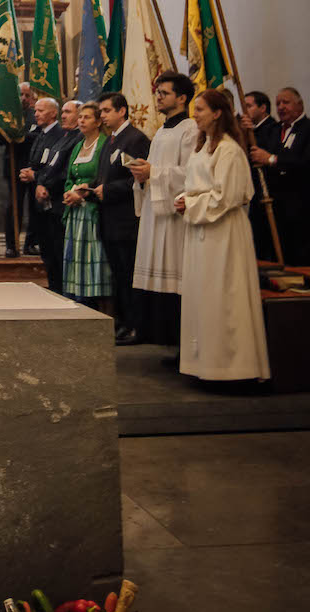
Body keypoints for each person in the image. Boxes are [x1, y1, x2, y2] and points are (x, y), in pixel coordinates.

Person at [175, 88, 270, 382]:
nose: (195, 114)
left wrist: (189, 204)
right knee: (204, 297)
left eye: (200, 109)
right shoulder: (203, 147)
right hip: (202, 230)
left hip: (224, 233)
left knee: (224, 296)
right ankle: (205, 364)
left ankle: (232, 367)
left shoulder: (229, 149)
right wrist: (183, 197)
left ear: (218, 113)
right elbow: (197, 185)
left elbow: (226, 196)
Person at [129, 72, 198, 351]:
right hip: (155, 211)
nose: (158, 96)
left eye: (164, 92)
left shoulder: (190, 129)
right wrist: (144, 173)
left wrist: (154, 172)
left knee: (175, 279)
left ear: (182, 98)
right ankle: (166, 339)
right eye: (157, 92)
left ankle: (181, 343)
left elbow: (191, 173)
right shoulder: (162, 129)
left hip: (174, 215)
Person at [96, 91, 151, 344]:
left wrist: (107, 190)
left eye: (107, 111)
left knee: (129, 274)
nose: (102, 116)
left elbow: (136, 179)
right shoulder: (111, 140)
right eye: (102, 111)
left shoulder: (135, 139)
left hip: (127, 219)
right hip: (110, 219)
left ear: (122, 111)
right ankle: (122, 322)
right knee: (118, 274)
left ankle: (136, 326)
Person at [250, 86, 310, 264]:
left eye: (286, 102)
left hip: (300, 204)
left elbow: (304, 162)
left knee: (299, 253)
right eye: (278, 104)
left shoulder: (307, 129)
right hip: (276, 204)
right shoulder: (275, 130)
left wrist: (272, 159)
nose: (281, 107)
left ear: (300, 105)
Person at [61, 102, 111, 308]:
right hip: (76, 212)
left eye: (87, 117)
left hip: (92, 211)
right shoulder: (78, 146)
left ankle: (95, 300)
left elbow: (103, 176)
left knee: (93, 257)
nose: (81, 120)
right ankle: (78, 297)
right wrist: (69, 192)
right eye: (80, 117)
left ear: (98, 121)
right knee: (76, 256)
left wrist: (83, 194)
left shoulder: (104, 145)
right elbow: (70, 176)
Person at [21, 97, 71, 294]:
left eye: (41, 111)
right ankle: (53, 287)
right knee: (46, 249)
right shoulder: (40, 133)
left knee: (56, 248)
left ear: (53, 113)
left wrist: (38, 177)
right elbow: (38, 161)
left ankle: (60, 289)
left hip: (54, 198)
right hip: (38, 198)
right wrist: (30, 173)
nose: (36, 114)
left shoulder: (61, 135)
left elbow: (56, 167)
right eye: (36, 111)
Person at [240, 90, 282, 259]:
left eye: (248, 106)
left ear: (263, 108)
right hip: (255, 192)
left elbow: (266, 152)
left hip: (272, 191)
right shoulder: (251, 130)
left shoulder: (274, 128)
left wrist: (252, 133)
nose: (245, 111)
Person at [0, 82, 36, 256]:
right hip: (14, 166)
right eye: (21, 94)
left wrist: (20, 136)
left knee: (36, 207)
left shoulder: (36, 115)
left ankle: (31, 243)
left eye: (27, 95)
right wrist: (8, 133)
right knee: (14, 206)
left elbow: (39, 136)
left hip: (35, 167)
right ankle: (11, 245)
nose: (23, 98)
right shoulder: (9, 116)